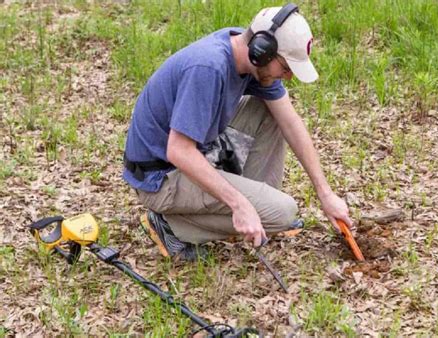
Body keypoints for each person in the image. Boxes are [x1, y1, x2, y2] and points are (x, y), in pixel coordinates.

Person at [123, 3, 353, 261]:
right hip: (161, 178)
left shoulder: (242, 55)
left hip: (194, 152)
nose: (288, 76)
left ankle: (261, 213)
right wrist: (240, 204)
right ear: (261, 51)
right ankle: (170, 225)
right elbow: (179, 151)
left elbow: (290, 122)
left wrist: (325, 193)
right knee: (284, 212)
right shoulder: (208, 68)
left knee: (269, 111)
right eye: (285, 67)